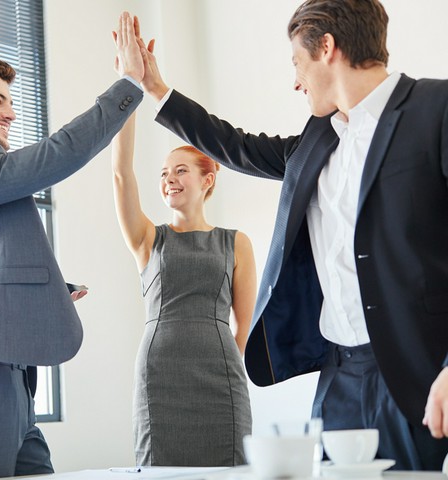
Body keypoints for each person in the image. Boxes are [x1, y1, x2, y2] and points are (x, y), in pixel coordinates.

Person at [131, 0, 448, 471]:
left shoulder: (435, 109)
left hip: (422, 371)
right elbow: (234, 145)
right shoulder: (315, 142)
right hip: (339, 378)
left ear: (327, 48)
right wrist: (153, 88)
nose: (294, 81)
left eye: (296, 63)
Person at [0, 12, 144, 479]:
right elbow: (55, 154)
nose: (11, 113)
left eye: (11, 101)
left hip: (2, 379)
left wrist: (47, 287)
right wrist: (129, 84)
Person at [111, 111, 256, 466]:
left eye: (180, 171)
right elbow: (121, 175)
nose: (169, 179)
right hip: (160, 376)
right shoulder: (148, 239)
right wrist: (127, 95)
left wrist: (225, 363)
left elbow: (245, 324)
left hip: (220, 378)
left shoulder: (236, 242)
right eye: (163, 173)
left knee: (231, 470)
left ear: (207, 180)